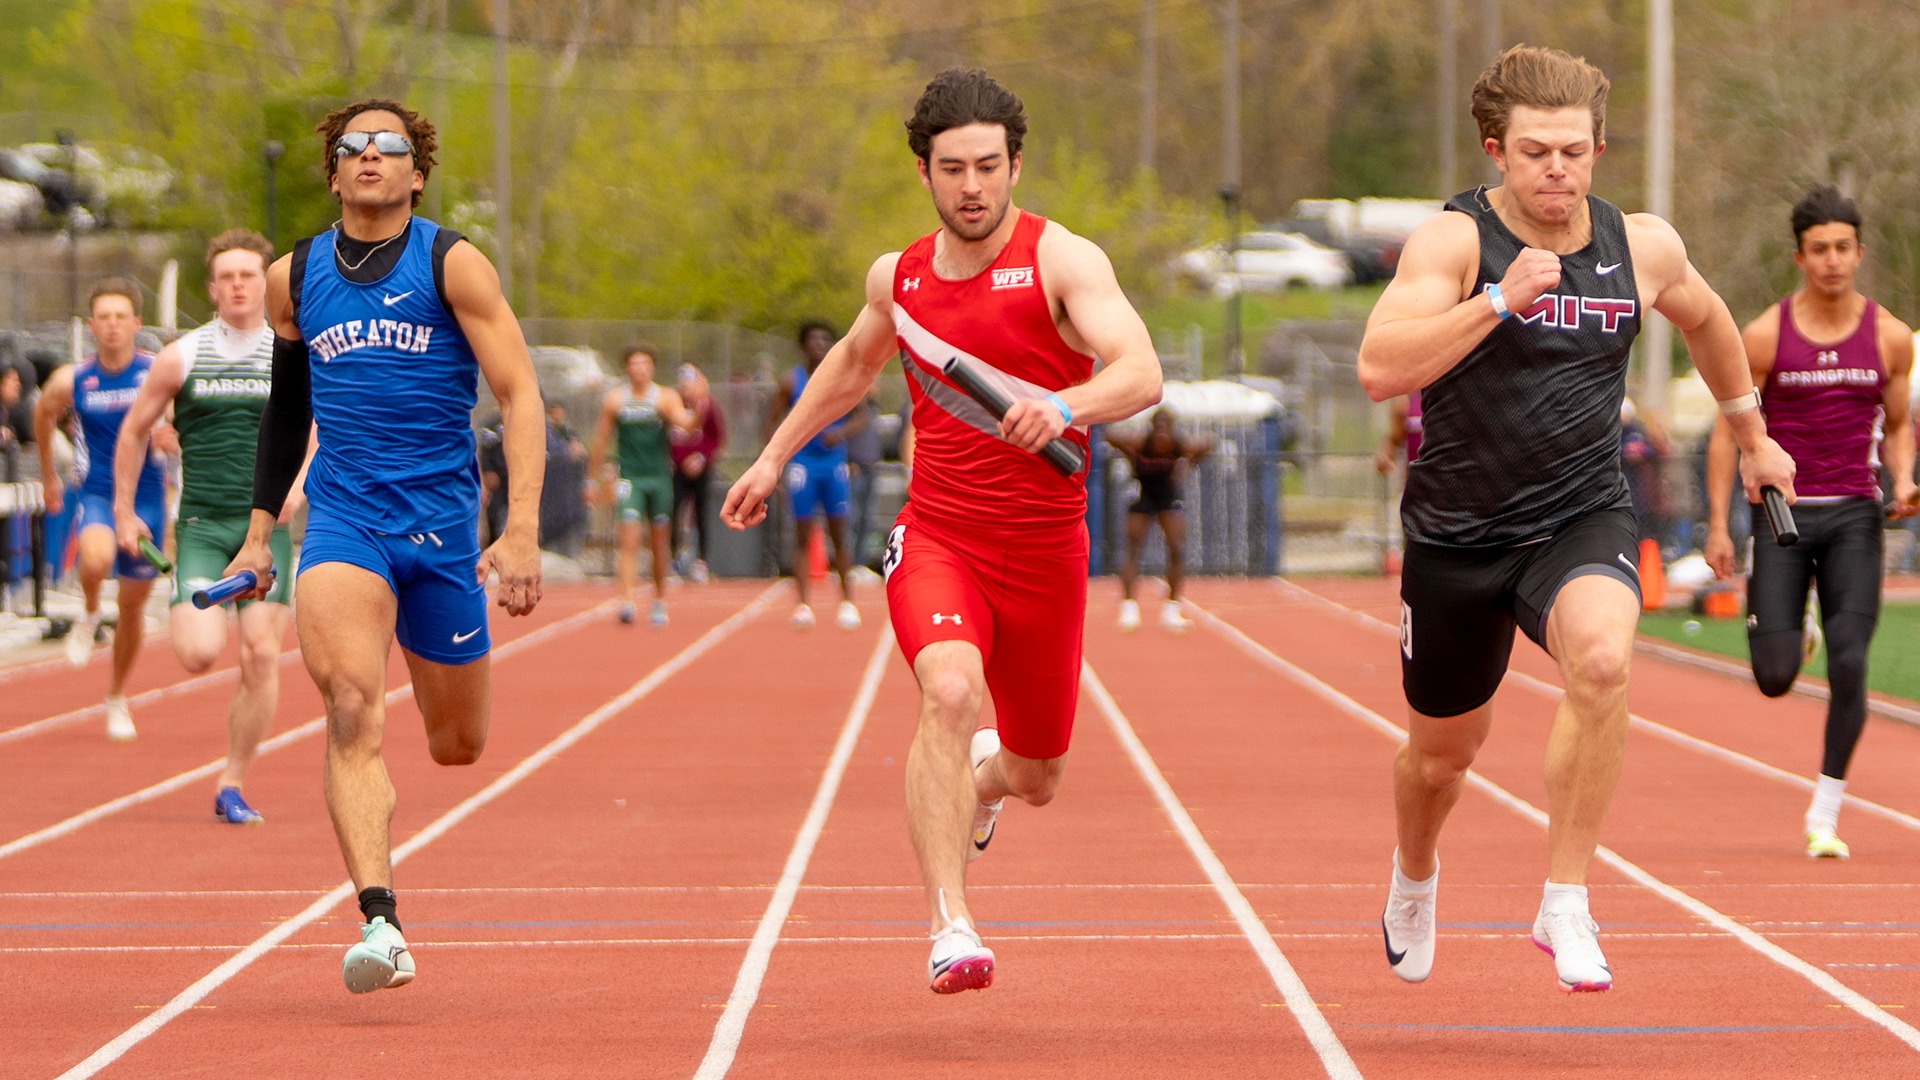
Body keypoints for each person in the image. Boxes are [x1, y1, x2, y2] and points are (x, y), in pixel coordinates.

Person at [1355, 45, 1796, 994]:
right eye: (1535, 152)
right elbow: (1382, 366)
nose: (1557, 169)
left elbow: (1712, 323)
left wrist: (1750, 435)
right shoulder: (1456, 243)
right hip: (1459, 534)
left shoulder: (1641, 246)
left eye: (1574, 151)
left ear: (1598, 149)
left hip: (1579, 512)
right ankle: (1415, 875)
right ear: (1496, 152)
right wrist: (1493, 303)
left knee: (1603, 657)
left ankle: (1565, 900)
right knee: (1441, 760)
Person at [723, 67, 1162, 993]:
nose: (973, 186)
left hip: (1046, 550)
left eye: (990, 167)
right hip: (940, 541)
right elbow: (848, 368)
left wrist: (1065, 403)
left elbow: (1140, 372)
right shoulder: (901, 277)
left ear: (1014, 167)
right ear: (924, 171)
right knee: (950, 691)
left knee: (1037, 772)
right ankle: (950, 926)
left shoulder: (1063, 261)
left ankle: (984, 783)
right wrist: (770, 456)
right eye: (954, 168)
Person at [225, 97, 545, 994]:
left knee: (457, 745)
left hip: (441, 527)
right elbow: (286, 409)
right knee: (351, 708)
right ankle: (381, 921)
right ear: (333, 173)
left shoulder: (454, 264)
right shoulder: (295, 278)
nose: (370, 157)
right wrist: (259, 538)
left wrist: (519, 532)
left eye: (390, 147)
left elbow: (520, 395)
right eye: (353, 147)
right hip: (343, 520)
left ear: (415, 171)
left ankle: (388, 884)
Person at [1704, 184, 1916, 860]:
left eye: (1843, 248)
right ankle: (1795, 632)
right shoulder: (1765, 334)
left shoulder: (1888, 336)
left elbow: (1900, 424)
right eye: (1819, 249)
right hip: (1783, 515)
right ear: (1800, 257)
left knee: (1853, 664)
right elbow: (1724, 432)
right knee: (1772, 677)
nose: (1832, 260)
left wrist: (1903, 476)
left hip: (1856, 511)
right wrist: (1718, 524)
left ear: (1859, 252)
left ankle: (1825, 811)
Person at [113, 230, 303, 823]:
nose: (240, 285)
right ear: (213, 288)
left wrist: (297, 488)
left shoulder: (290, 352)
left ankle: (232, 782)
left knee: (261, 654)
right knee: (197, 653)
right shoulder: (183, 355)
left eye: (250, 274)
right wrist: (123, 510)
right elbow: (133, 430)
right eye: (228, 276)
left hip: (265, 528)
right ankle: (208, 612)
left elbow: (319, 424)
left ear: (266, 281)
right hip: (200, 524)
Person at [33, 278, 169, 740]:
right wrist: (50, 475)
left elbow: (185, 415)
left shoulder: (156, 370)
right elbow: (43, 413)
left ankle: (116, 696)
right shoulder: (74, 379)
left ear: (136, 323)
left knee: (132, 608)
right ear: (91, 326)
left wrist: (175, 435)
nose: (112, 327)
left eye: (120, 317)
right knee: (94, 557)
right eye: (103, 318)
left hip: (148, 497)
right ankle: (90, 611)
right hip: (96, 491)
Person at [588, 344, 694, 626]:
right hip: (630, 478)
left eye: (645, 363)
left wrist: (701, 402)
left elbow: (686, 424)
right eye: (634, 364)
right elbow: (600, 441)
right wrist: (592, 479)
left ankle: (659, 599)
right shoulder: (615, 400)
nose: (640, 369)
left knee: (659, 543)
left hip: (658, 478)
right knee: (629, 540)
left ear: (653, 368)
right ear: (627, 368)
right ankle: (627, 600)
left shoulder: (665, 397)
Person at [770, 322, 865, 630]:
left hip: (833, 464)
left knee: (839, 532)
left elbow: (863, 415)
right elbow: (773, 419)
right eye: (813, 340)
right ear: (803, 345)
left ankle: (848, 601)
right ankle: (802, 603)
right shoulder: (790, 381)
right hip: (802, 463)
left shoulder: (843, 375)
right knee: (802, 531)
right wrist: (775, 459)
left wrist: (841, 432)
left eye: (825, 339)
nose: (819, 344)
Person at [1104, 407, 1211, 632]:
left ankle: (1172, 609)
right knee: (1133, 547)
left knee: (1175, 548)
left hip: (1167, 493)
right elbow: (1110, 435)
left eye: (1166, 426)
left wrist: (1188, 465)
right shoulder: (1141, 442)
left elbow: (1208, 443)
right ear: (1152, 427)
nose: (1162, 431)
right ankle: (1129, 608)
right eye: (1158, 425)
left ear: (1173, 428)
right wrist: (1129, 454)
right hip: (1143, 491)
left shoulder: (1179, 445)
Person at [669, 362, 726, 583]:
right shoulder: (674, 405)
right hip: (678, 468)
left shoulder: (709, 406)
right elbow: (669, 438)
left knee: (701, 513)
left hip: (702, 468)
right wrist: (680, 460)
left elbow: (717, 436)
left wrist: (701, 458)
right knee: (674, 511)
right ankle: (673, 559)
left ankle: (701, 559)